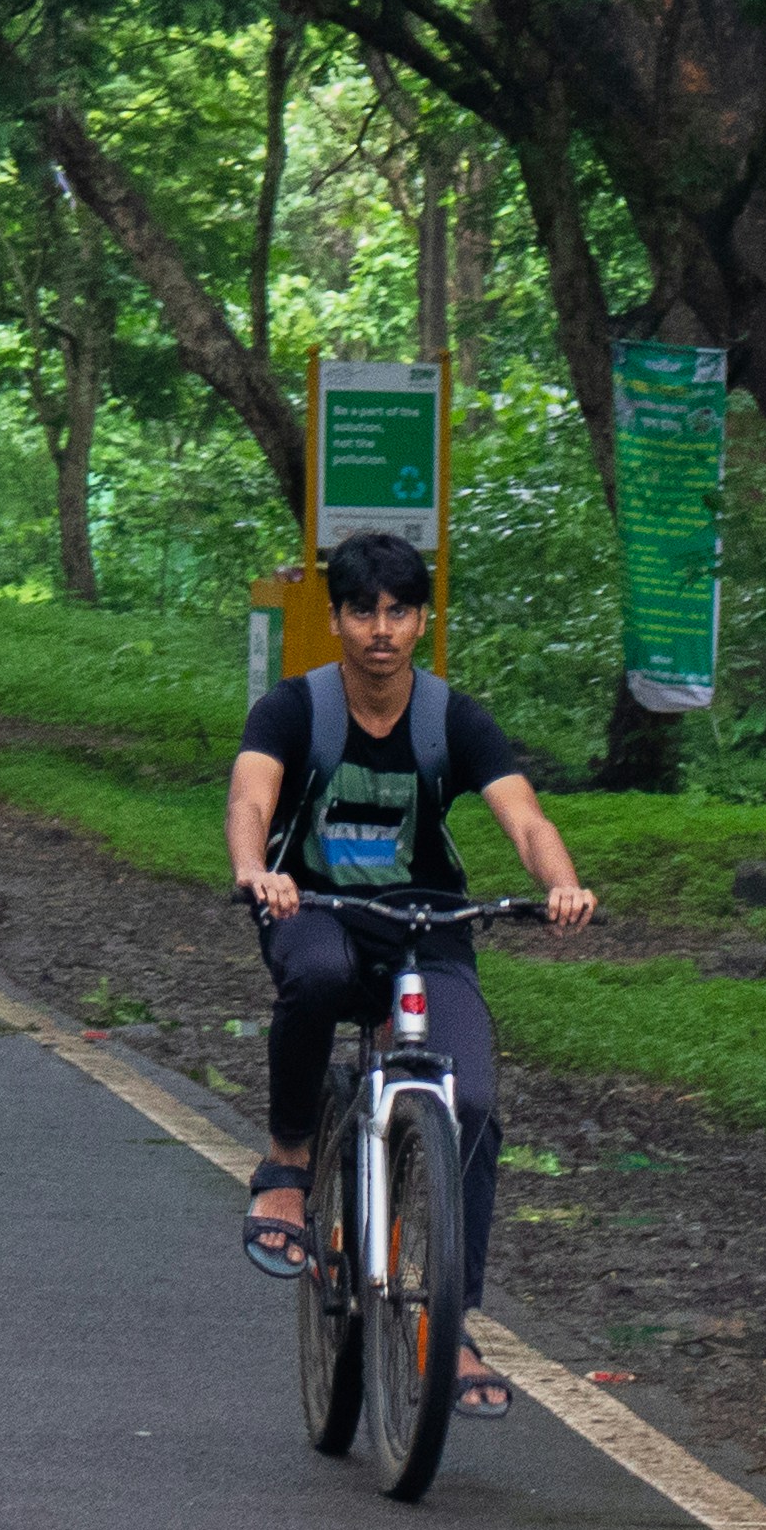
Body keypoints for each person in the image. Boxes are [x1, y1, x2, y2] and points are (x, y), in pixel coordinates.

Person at [225, 527, 599, 1416]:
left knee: (466, 1102)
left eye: (399, 611)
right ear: (338, 619)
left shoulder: (450, 719)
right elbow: (250, 796)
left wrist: (563, 883)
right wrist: (257, 871)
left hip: (428, 925)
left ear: (422, 619)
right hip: (313, 912)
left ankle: (452, 1319)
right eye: (363, 611)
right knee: (312, 980)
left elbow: (525, 819)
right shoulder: (295, 709)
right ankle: (286, 1159)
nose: (381, 630)